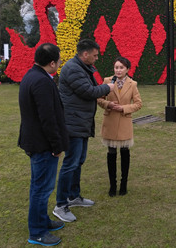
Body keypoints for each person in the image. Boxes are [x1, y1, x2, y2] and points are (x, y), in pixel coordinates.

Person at [53, 39, 114, 222]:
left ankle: (74, 196)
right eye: (95, 55)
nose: (97, 58)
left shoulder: (81, 67)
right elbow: (88, 91)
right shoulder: (72, 68)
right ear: (85, 54)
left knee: (79, 160)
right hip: (73, 123)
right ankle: (61, 205)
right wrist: (107, 87)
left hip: (81, 122)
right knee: (71, 163)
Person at [18, 43, 69, 246]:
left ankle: (42, 221)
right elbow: (47, 118)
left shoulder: (33, 76)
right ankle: (37, 231)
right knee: (42, 188)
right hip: (43, 144)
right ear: (52, 62)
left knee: (39, 186)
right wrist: (57, 146)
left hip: (37, 141)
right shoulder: (41, 81)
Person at [97, 56, 143, 196]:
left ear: (127, 69)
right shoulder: (107, 81)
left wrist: (124, 108)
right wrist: (108, 105)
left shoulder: (132, 84)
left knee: (124, 153)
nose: (118, 70)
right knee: (111, 153)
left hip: (124, 122)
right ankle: (112, 185)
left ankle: (123, 184)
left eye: (121, 67)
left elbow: (138, 104)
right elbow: (99, 99)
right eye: (116, 67)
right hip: (110, 121)